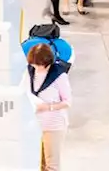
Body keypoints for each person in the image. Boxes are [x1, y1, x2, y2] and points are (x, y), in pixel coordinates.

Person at [23, 42, 72, 171]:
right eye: (34, 65)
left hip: (53, 125)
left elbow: (67, 102)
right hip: (34, 123)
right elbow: (23, 91)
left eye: (39, 65)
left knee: (51, 164)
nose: (36, 68)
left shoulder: (59, 76)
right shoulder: (29, 72)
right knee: (35, 162)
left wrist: (47, 107)